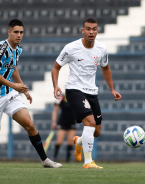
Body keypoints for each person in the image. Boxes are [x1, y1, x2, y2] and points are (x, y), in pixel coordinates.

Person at [0, 19, 62, 168]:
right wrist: (14, 85)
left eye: (21, 32)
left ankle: (45, 160)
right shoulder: (1, 49)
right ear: (9, 32)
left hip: (8, 94)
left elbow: (13, 68)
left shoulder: (17, 49)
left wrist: (22, 87)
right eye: (16, 32)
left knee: (29, 124)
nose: (19, 35)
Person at [51, 17, 122, 169]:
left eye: (94, 29)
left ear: (97, 31)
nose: (91, 32)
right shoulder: (71, 48)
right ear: (82, 30)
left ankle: (79, 141)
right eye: (88, 29)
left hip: (91, 91)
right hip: (74, 90)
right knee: (89, 122)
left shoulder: (102, 49)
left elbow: (106, 68)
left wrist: (112, 89)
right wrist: (56, 85)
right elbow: (56, 67)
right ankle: (88, 161)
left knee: (96, 131)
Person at [51, 93, 76, 162]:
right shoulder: (61, 98)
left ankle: (68, 160)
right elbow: (55, 110)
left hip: (72, 122)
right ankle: (54, 158)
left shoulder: (75, 97)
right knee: (59, 141)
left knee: (70, 141)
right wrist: (54, 122)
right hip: (62, 122)